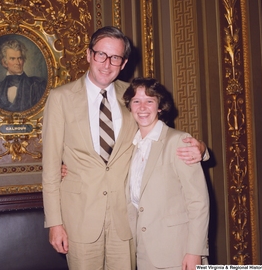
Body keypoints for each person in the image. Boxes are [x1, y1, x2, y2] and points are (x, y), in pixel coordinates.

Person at [42, 26, 207, 270]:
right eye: (101, 54)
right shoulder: (60, 98)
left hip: (126, 221)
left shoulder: (131, 96)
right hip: (79, 219)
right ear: (88, 54)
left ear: (124, 62)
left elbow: (162, 134)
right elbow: (50, 167)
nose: (107, 64)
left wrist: (202, 149)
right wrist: (55, 223)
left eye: (115, 57)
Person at [123, 77, 209, 270]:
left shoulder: (179, 141)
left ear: (160, 107)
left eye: (150, 101)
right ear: (130, 107)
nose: (142, 107)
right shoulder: (131, 146)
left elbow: (198, 202)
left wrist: (195, 251)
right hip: (143, 252)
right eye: (136, 101)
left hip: (177, 253)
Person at [0, 39, 46, 112]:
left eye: (20, 58)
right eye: (12, 59)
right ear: (4, 62)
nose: (17, 62)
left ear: (23, 60)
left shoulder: (37, 85)